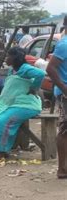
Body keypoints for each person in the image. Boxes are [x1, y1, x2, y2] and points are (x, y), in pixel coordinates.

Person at [0, 47, 45, 162]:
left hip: (27, 105)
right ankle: (3, 150)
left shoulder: (25, 68)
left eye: (8, 56)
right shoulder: (11, 70)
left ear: (15, 58)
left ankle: (1, 153)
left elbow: (40, 74)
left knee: (3, 121)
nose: (6, 58)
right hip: (13, 104)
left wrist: (34, 88)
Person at [46, 16, 67, 179]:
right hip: (65, 94)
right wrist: (64, 88)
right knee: (65, 130)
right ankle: (62, 168)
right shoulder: (64, 44)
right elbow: (50, 69)